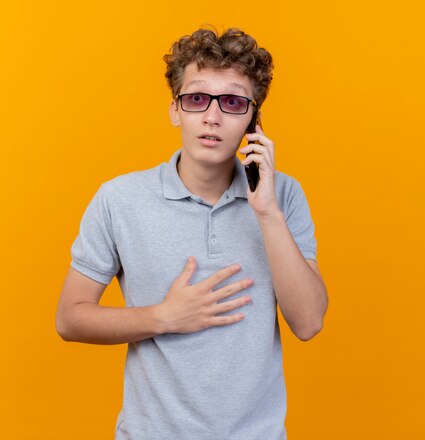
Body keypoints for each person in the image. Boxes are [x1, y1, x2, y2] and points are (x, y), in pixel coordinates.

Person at [55, 27, 328, 440]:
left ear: (253, 119)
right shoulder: (119, 199)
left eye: (233, 102)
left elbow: (308, 323)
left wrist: (267, 212)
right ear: (175, 110)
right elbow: (70, 319)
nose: (213, 117)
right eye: (197, 98)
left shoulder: (283, 196)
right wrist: (163, 318)